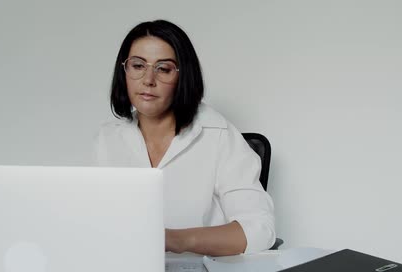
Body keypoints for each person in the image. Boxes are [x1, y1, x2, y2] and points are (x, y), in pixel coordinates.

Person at [93, 20, 275, 256]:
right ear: (124, 71)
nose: (148, 79)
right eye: (138, 66)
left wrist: (174, 240)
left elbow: (260, 230)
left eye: (164, 68)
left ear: (183, 76)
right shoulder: (108, 138)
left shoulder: (217, 134)